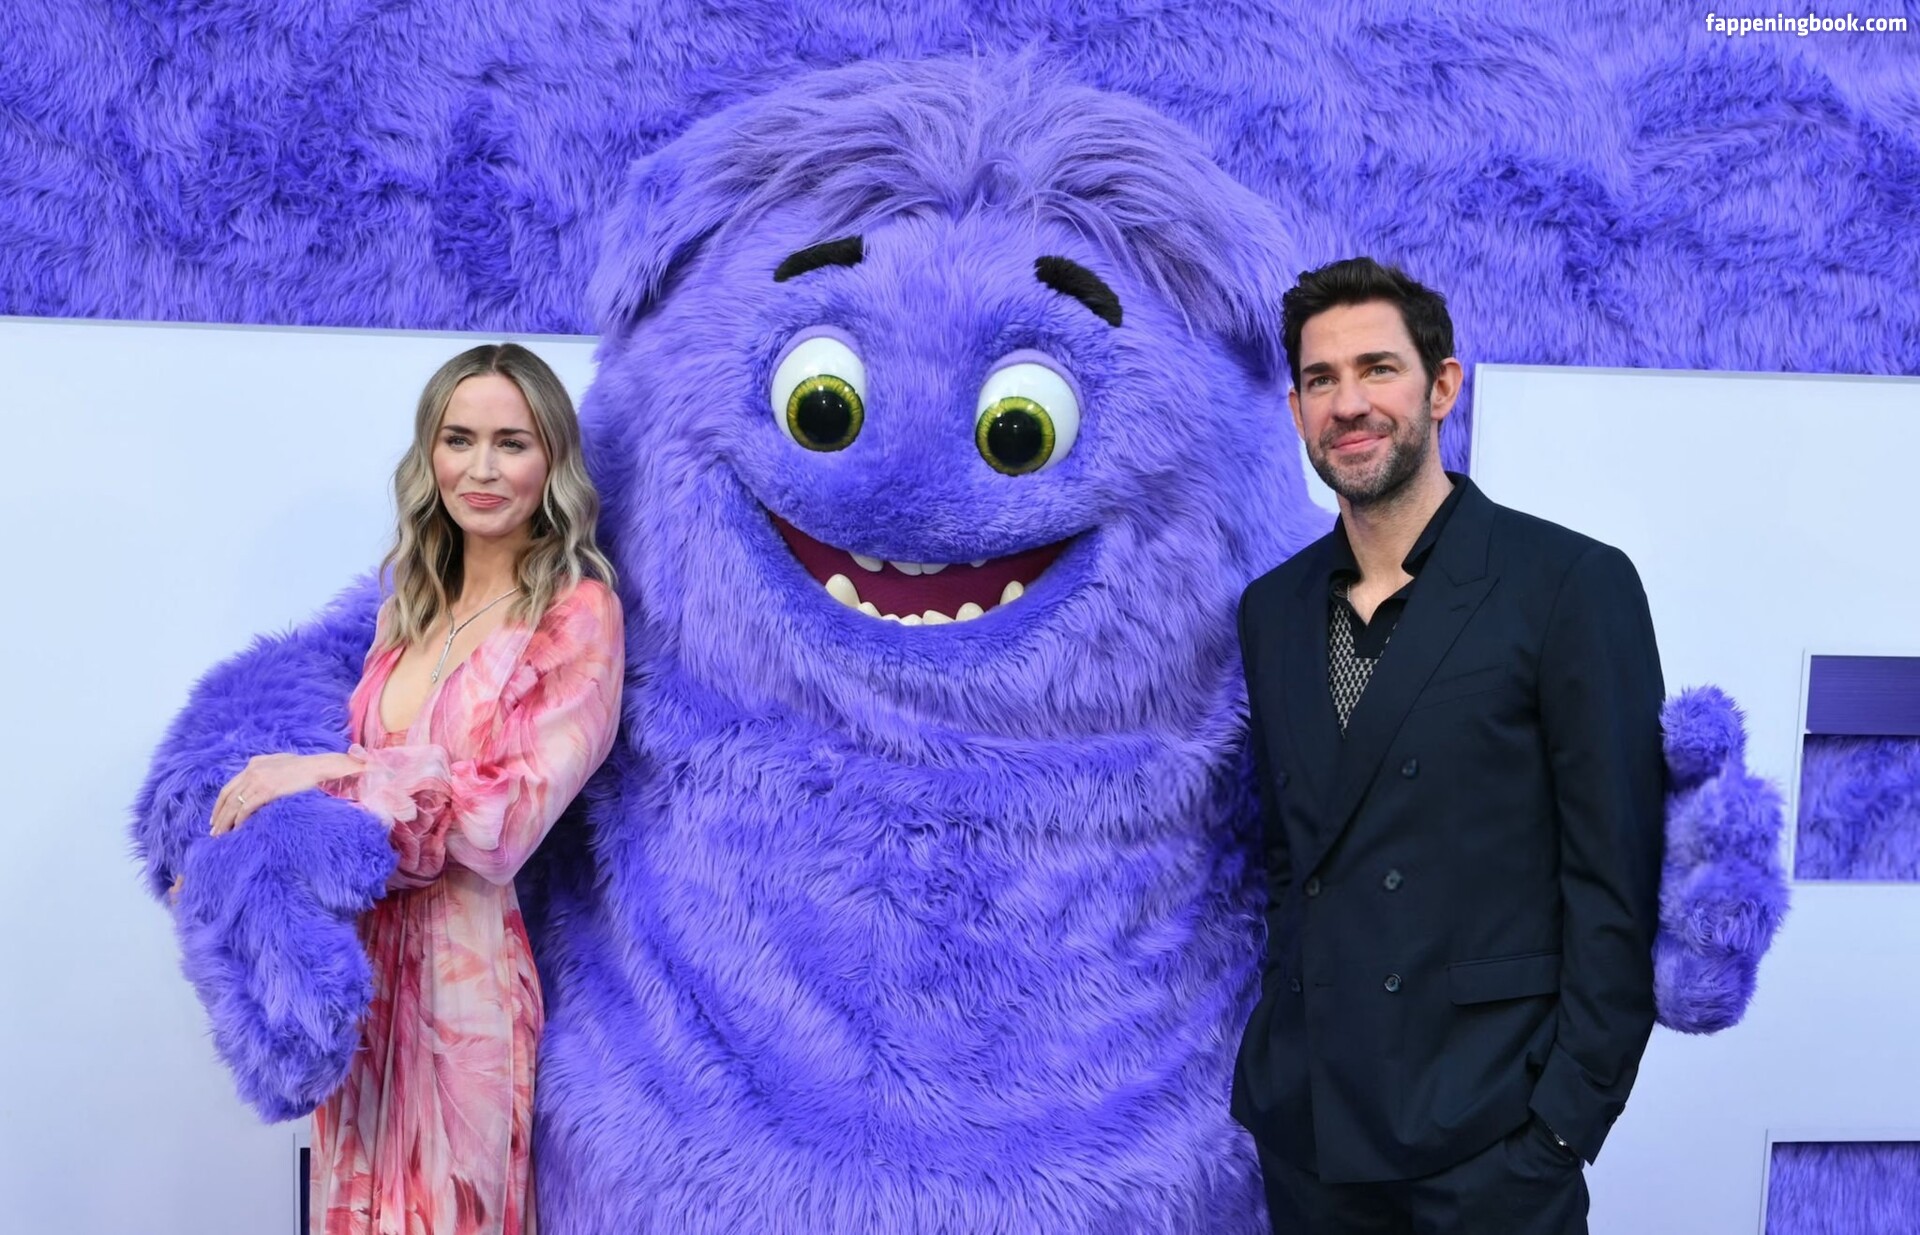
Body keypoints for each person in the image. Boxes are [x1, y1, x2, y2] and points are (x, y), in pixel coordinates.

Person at [1231, 258, 1665, 1234]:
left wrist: (1560, 1127)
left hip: (1487, 1142)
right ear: (1296, 410)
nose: (1348, 403)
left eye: (1377, 368)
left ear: (1441, 386)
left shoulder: (1567, 585)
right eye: (1320, 379)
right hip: (1310, 1135)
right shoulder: (1271, 609)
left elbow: (1618, 883)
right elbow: (1293, 857)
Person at [195, 343, 624, 1235]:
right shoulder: (407, 607)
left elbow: (500, 824)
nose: (481, 468)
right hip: (360, 980)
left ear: (552, 459)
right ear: (429, 453)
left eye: (511, 442)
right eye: (458, 439)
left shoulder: (577, 613)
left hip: (464, 995)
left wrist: (325, 774)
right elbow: (355, 819)